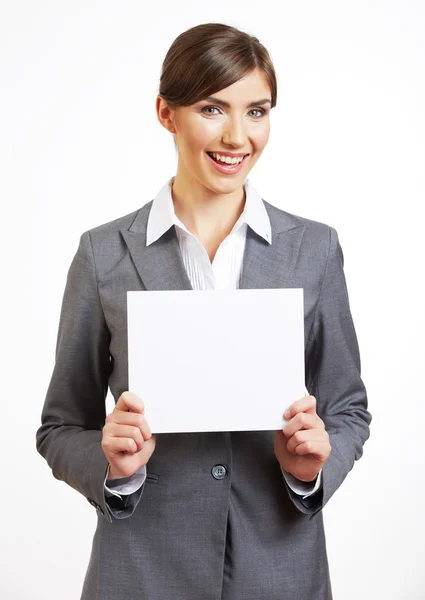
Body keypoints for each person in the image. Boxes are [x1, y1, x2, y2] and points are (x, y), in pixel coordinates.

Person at [36, 22, 372, 600]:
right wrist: (114, 468)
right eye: (213, 109)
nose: (239, 136)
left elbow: (347, 408)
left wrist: (313, 466)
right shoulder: (103, 255)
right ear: (167, 113)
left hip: (281, 572)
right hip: (141, 573)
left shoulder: (314, 249)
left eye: (258, 111)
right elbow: (60, 425)